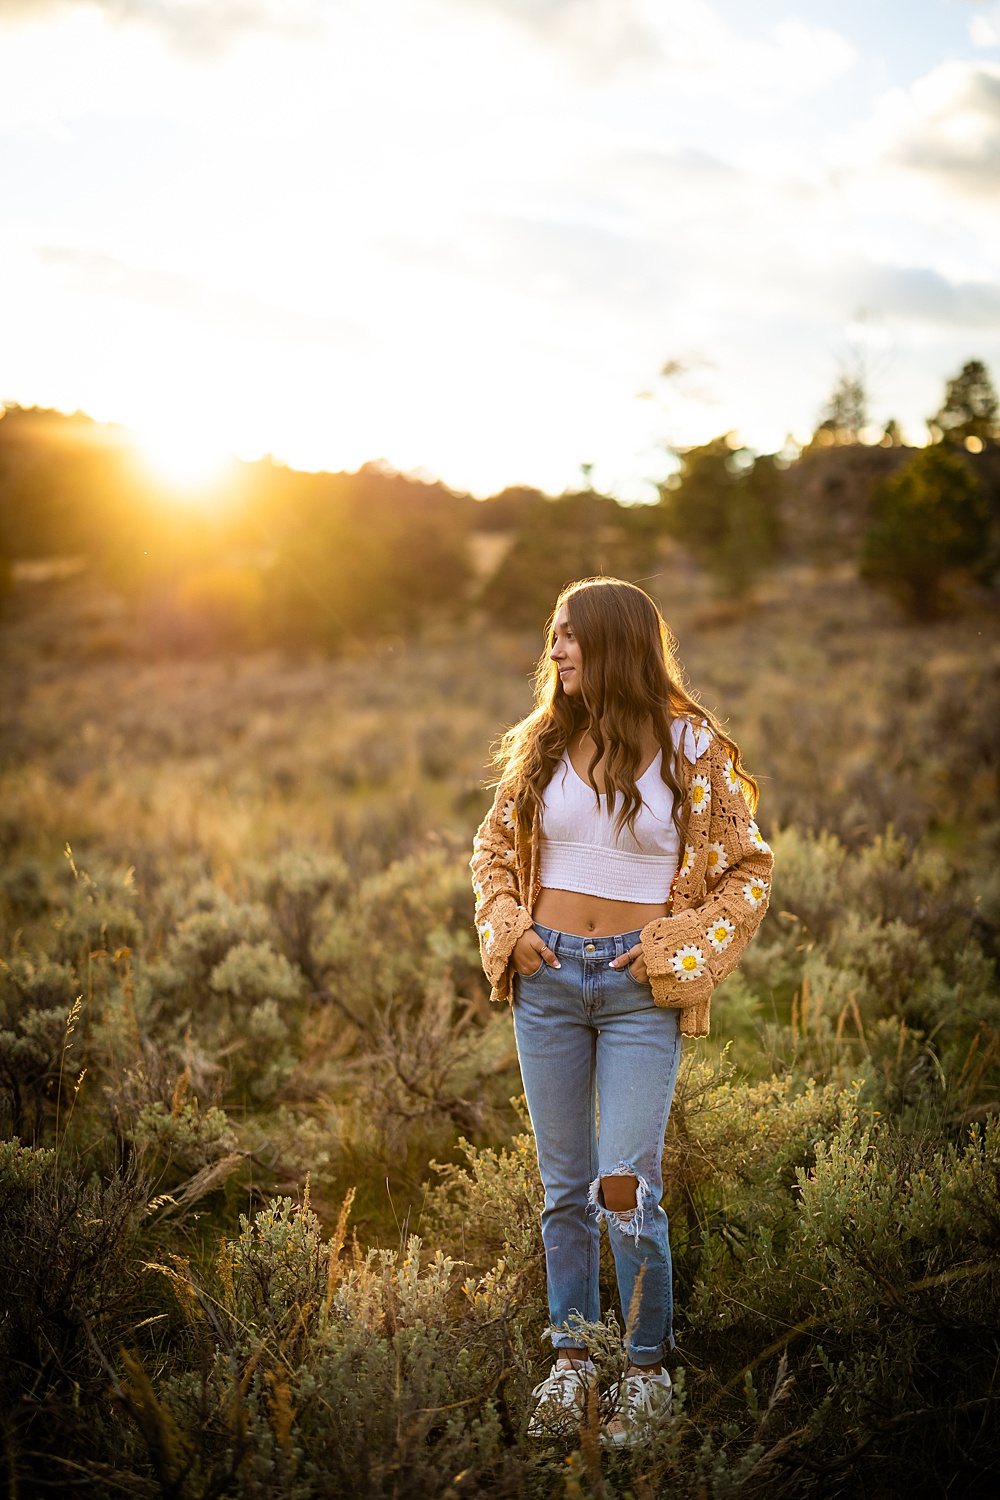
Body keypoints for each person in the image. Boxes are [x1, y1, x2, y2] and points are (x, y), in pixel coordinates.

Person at [470, 577, 773, 1444]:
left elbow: (750, 870)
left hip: (642, 990)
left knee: (625, 1186)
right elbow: (492, 849)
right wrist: (511, 928)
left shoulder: (693, 747)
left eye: (570, 636)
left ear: (616, 643)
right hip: (550, 980)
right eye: (552, 635)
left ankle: (644, 1372)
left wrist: (681, 950)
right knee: (564, 1188)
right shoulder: (542, 743)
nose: (555, 650)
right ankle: (571, 1359)